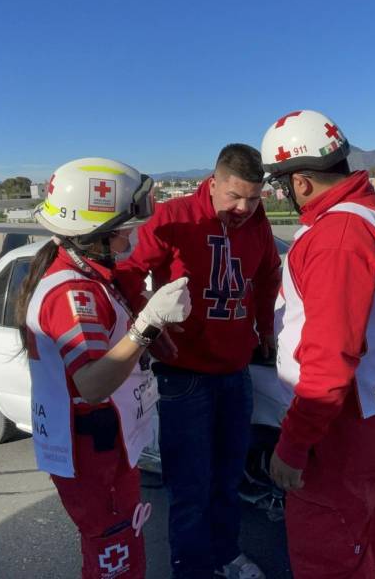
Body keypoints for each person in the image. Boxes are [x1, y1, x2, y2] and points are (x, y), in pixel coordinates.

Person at [15, 157, 192, 579]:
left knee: (114, 547)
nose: (130, 239)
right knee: (116, 555)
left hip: (103, 445)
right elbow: (93, 384)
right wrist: (149, 324)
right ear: (93, 235)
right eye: (122, 232)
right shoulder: (73, 293)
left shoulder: (87, 277)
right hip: (94, 450)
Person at [116, 144, 279, 579]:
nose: (244, 207)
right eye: (235, 197)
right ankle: (191, 570)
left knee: (228, 480)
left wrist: (267, 329)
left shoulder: (257, 222)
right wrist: (150, 326)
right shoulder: (174, 217)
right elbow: (130, 273)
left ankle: (225, 554)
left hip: (235, 372)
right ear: (213, 182)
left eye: (254, 197)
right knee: (190, 488)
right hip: (184, 376)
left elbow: (266, 277)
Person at [259, 111, 375, 579]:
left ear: (301, 182)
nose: (281, 194)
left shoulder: (337, 236)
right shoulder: (372, 206)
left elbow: (328, 361)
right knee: (371, 520)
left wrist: (294, 444)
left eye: (281, 184)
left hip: (342, 421)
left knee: (327, 546)